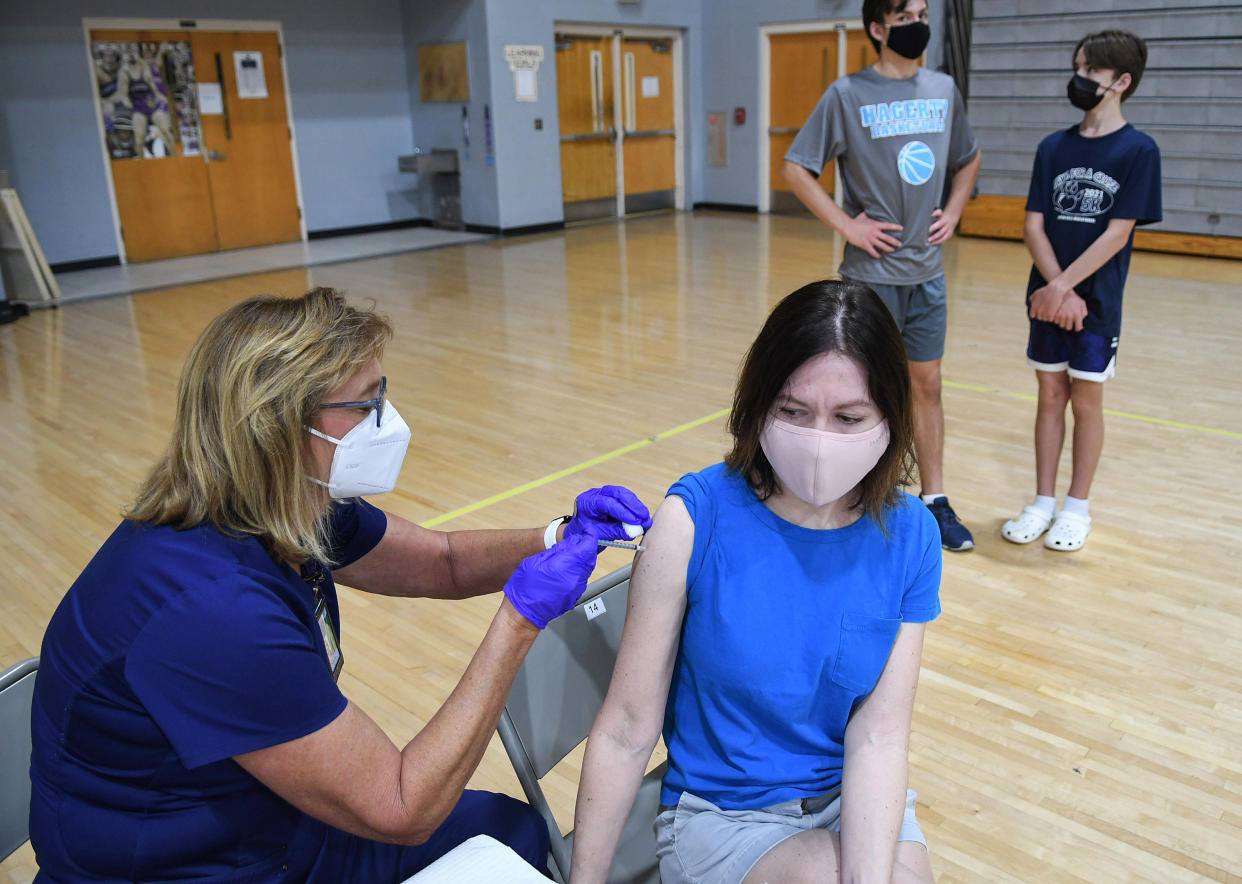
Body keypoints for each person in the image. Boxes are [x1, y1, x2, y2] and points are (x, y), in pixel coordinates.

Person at [29, 287, 653, 882]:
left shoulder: (285, 506)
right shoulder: (210, 608)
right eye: (366, 404)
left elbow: (443, 562)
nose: (387, 421)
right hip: (195, 869)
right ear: (277, 427)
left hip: (274, 828)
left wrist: (560, 536)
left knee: (506, 830)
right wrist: (519, 619)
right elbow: (402, 805)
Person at [570, 280, 941, 884]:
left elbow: (878, 737)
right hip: (724, 817)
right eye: (793, 412)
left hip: (848, 796)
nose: (820, 442)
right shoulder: (694, 518)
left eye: (849, 418)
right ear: (758, 404)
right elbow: (626, 728)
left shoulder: (912, 535)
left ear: (890, 419)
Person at [781, 0, 982, 551]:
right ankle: (868, 495)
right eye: (906, 14)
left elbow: (968, 156)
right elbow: (796, 168)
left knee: (928, 384)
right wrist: (848, 224)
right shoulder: (847, 95)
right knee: (865, 392)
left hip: (927, 273)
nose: (919, 21)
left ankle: (935, 499)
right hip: (869, 278)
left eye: (923, 10)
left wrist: (957, 207)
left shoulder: (943, 90)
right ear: (877, 28)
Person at [1001, 30, 1161, 552]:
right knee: (1049, 397)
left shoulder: (1139, 150)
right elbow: (1033, 226)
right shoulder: (1053, 147)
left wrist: (1067, 290)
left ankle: (1076, 507)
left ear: (1121, 81)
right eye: (1079, 66)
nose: (1080, 77)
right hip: (1048, 297)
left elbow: (1118, 233)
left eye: (1091, 70)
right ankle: (1043, 501)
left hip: (1095, 303)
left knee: (1085, 402)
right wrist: (1053, 289)